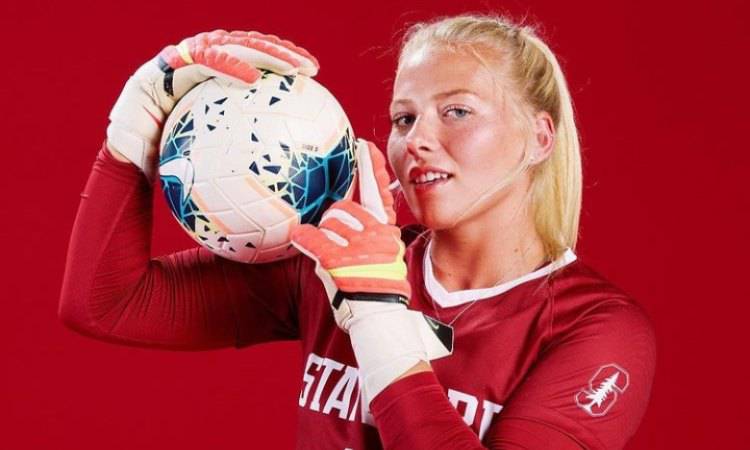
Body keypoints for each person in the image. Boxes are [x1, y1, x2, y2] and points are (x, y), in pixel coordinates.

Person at [59, 14, 655, 449]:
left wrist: (376, 317)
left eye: (457, 111)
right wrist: (135, 125)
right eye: (404, 118)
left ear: (539, 137)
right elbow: (106, 303)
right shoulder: (336, 264)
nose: (417, 139)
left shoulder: (598, 330)